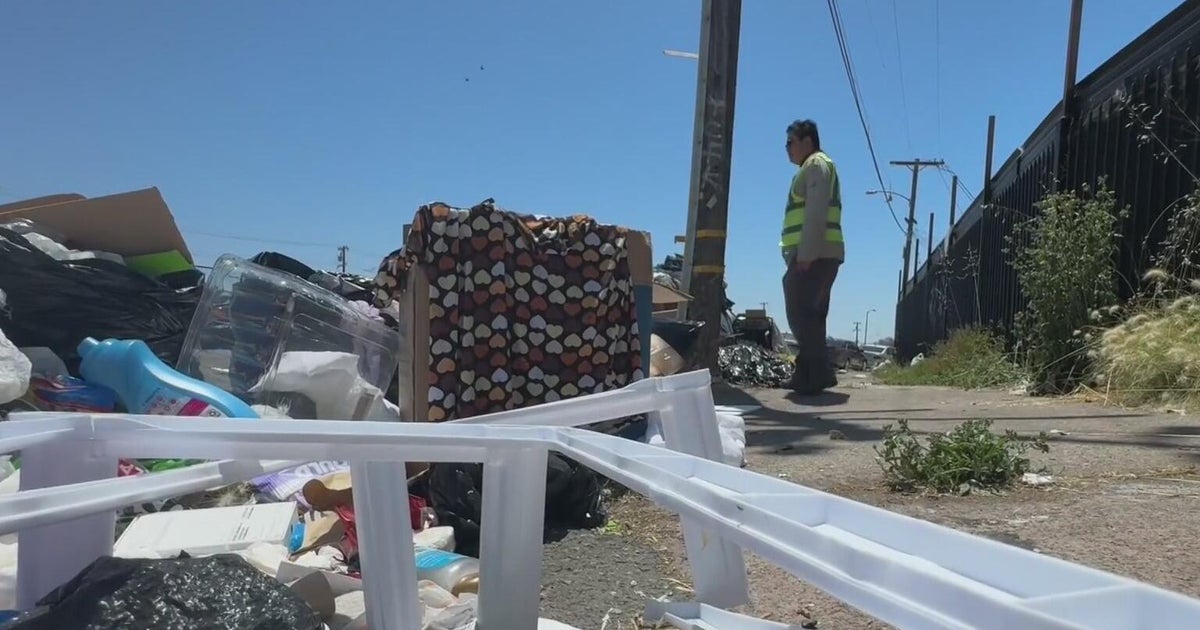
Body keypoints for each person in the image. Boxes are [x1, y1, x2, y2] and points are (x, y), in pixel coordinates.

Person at [779, 119, 845, 394]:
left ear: (807, 141)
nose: (787, 149)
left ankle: (818, 372)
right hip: (820, 254)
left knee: (801, 312)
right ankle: (807, 373)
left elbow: (816, 212)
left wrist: (806, 254)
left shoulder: (816, 165)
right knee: (811, 314)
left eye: (790, 142)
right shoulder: (814, 167)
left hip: (815, 255)